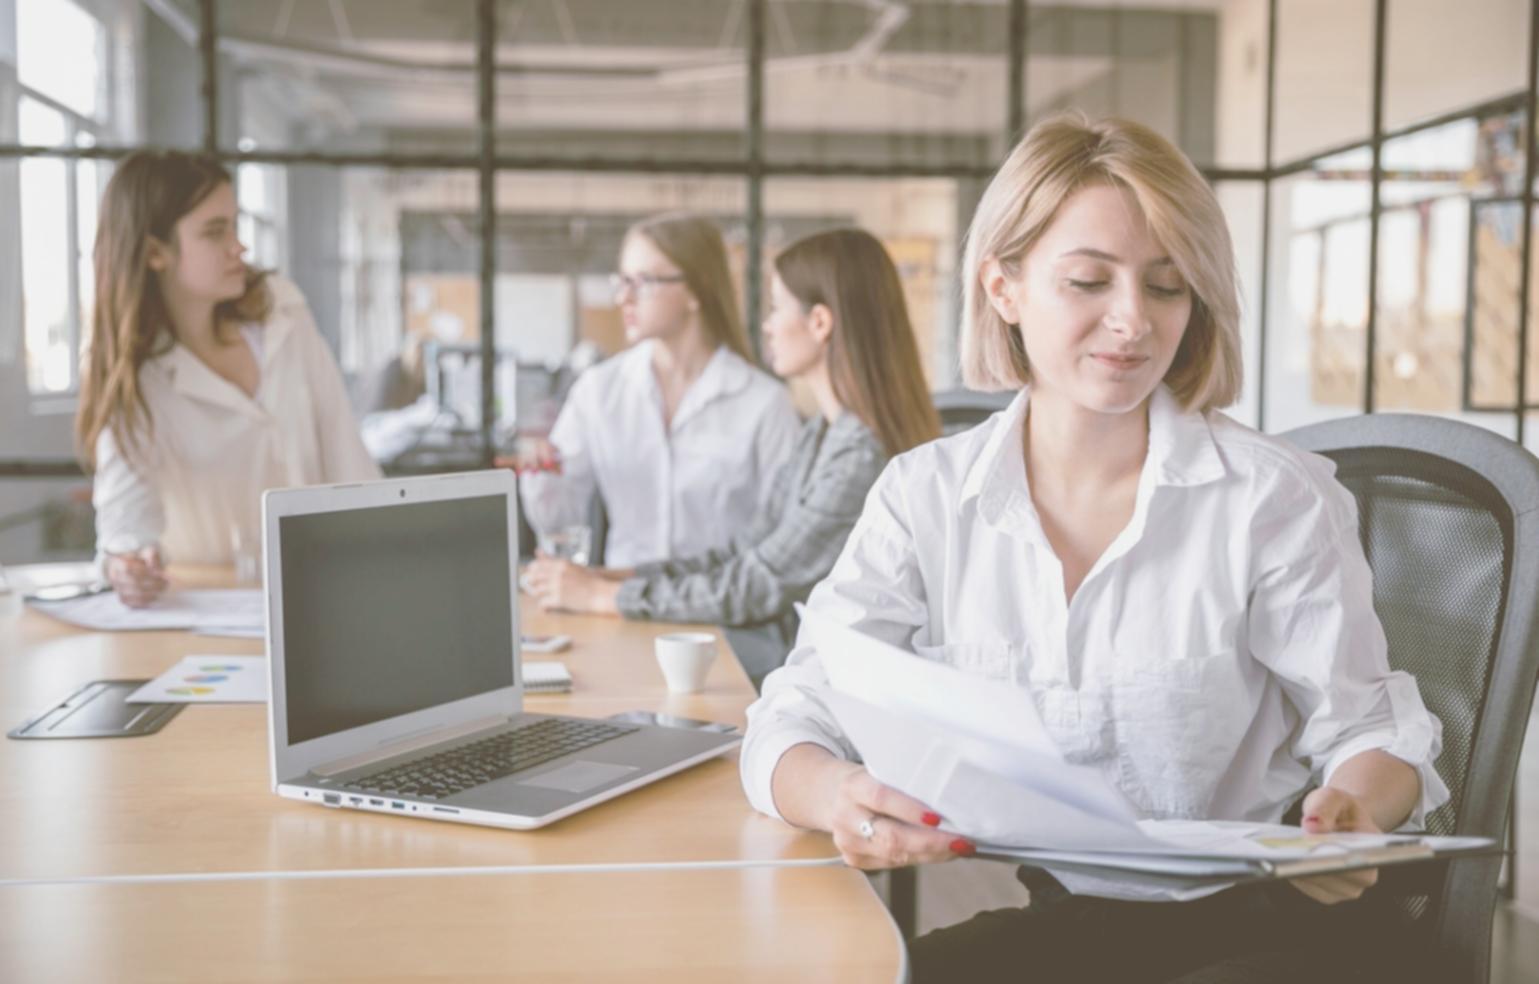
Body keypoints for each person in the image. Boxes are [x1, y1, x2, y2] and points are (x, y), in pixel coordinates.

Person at [739, 115, 1448, 983]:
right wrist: (836, 796)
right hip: (1071, 927)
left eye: (1166, 286)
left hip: (1261, 928)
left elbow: (1373, 730)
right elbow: (795, 711)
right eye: (1087, 280)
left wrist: (1359, 810)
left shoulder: (1271, 496)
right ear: (1002, 288)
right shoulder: (924, 496)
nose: (1132, 322)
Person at [523, 229, 940, 649]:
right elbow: (744, 550)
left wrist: (601, 596)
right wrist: (614, 578)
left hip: (801, 665)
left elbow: (760, 583)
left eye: (776, 309)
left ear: (819, 323)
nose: (768, 326)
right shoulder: (821, 434)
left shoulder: (859, 456)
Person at [77, 150, 380, 607]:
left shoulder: (283, 310)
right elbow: (126, 529)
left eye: (235, 225)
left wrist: (386, 552)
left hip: (325, 592)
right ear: (155, 252)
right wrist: (129, 566)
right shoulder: (134, 378)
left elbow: (347, 454)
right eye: (215, 232)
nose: (238, 247)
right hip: (215, 606)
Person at [509, 213, 800, 569]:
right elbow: (560, 523)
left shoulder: (764, 403)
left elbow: (785, 538)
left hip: (722, 611)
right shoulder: (598, 390)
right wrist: (545, 477)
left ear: (695, 291)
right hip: (618, 604)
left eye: (643, 281)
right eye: (623, 281)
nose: (623, 298)